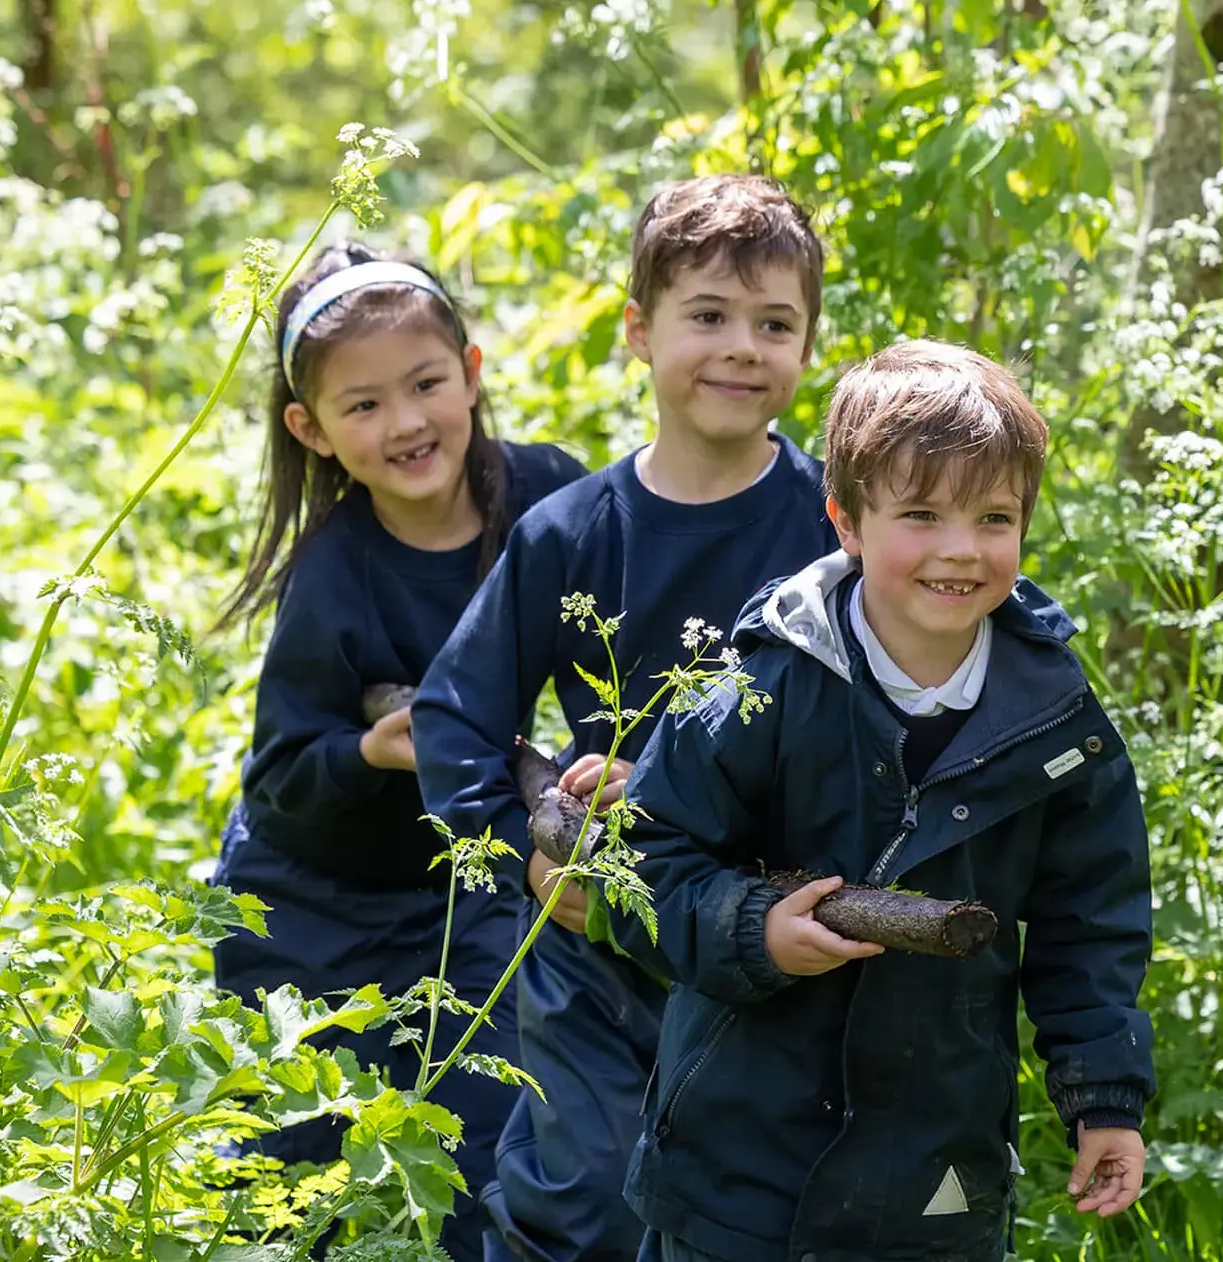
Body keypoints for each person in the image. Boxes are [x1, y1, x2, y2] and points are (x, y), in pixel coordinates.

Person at [619, 340, 1155, 1262]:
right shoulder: (765, 684)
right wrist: (755, 931)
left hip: (935, 1160)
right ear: (846, 521)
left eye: (994, 517)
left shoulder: (1055, 717)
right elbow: (643, 861)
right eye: (921, 513)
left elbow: (1091, 922)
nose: (961, 549)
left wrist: (1103, 1099)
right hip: (740, 1162)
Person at [414, 174, 838, 1262]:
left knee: (749, 1211)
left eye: (774, 323)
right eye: (707, 316)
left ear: (807, 345)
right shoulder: (569, 534)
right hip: (598, 925)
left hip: (766, 934)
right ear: (639, 334)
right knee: (582, 1196)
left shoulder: (839, 525)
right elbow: (457, 716)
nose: (742, 347)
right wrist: (528, 862)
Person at [212, 242, 588, 1262]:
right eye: (365, 404)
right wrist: (374, 751)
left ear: (469, 371)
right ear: (314, 430)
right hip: (311, 902)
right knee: (294, 1169)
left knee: (490, 1128)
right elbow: (283, 779)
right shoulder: (334, 575)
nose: (408, 422)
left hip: (466, 892)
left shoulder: (549, 499)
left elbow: (611, 648)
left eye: (426, 383)